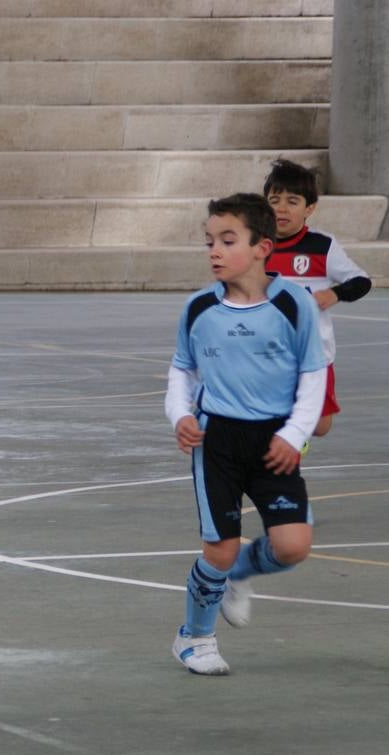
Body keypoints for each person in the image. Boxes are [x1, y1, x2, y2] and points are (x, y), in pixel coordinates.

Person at [164, 193, 326, 673]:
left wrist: (295, 433)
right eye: (209, 240)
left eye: (227, 240)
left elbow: (313, 374)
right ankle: (195, 637)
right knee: (219, 547)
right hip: (217, 442)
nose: (214, 250)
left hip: (275, 441)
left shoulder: (294, 303)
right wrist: (179, 416)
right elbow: (180, 370)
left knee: (292, 546)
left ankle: (238, 574)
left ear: (262, 247)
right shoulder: (198, 309)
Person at [263, 159, 372, 442]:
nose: (281, 208)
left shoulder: (322, 246)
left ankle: (289, 434)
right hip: (266, 350)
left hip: (314, 351)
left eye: (292, 201)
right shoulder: (256, 245)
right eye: (274, 200)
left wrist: (334, 293)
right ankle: (279, 442)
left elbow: (361, 281)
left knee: (321, 426)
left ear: (309, 208)